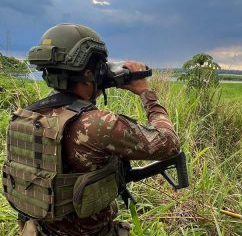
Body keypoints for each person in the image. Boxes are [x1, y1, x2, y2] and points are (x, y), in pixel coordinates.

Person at [4, 24, 180, 236]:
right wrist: (146, 93)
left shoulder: (26, 117)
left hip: (38, 230)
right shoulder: (97, 124)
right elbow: (169, 143)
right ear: (89, 72)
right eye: (101, 67)